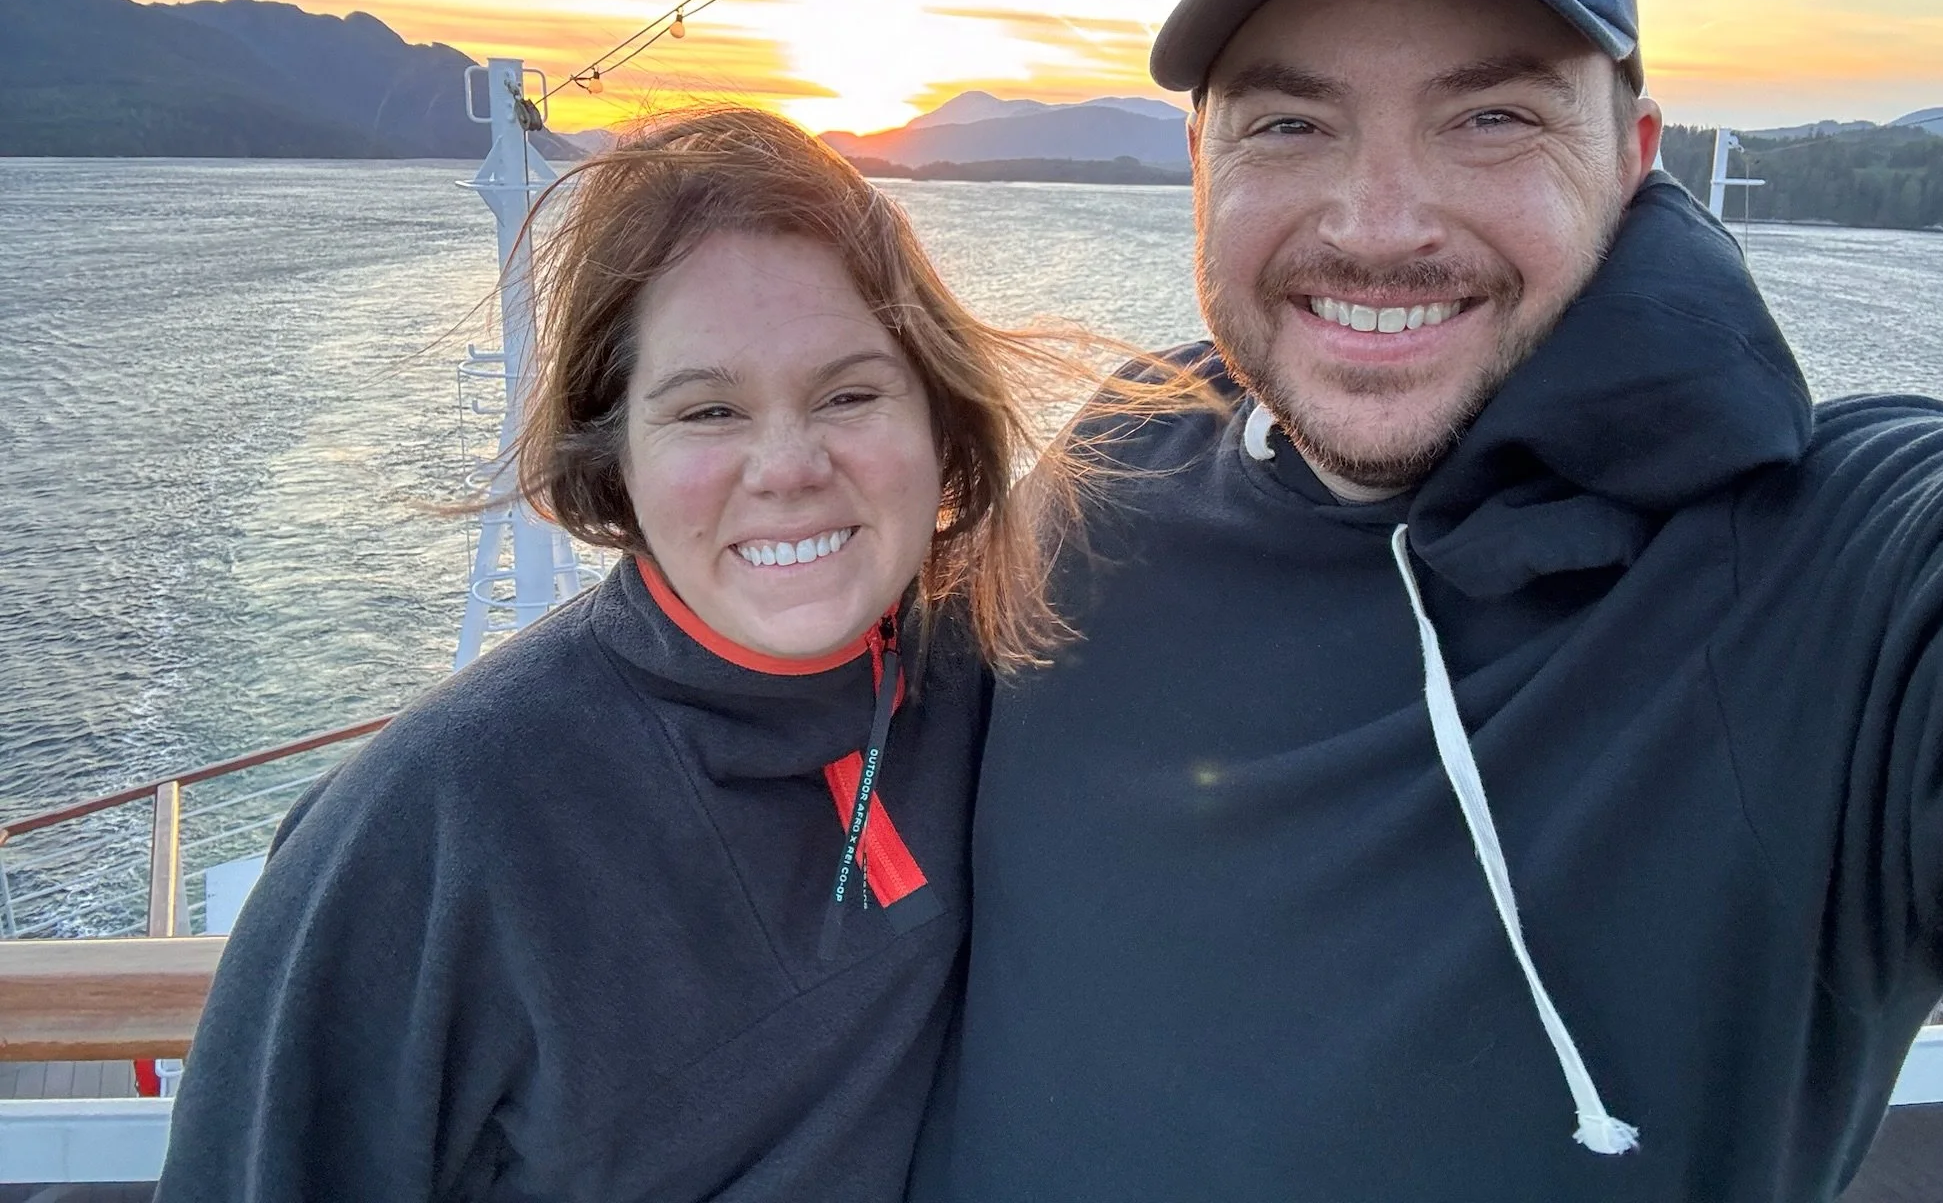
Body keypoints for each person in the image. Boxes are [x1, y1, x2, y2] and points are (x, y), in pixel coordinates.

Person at [910, 0, 1943, 1201]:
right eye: (1289, 126)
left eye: (1492, 117)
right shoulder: (1116, 459)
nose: (1381, 224)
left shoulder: (1831, 582)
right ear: (1200, 167)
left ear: (1633, 161)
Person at [155, 107, 1177, 1202]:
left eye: (848, 393)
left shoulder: (992, 667)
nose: (786, 466)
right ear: (615, 457)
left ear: (938, 424)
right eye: (707, 411)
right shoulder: (438, 826)